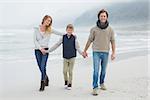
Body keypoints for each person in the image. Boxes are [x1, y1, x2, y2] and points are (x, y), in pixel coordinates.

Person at [83, 9, 116, 96]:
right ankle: (95, 87)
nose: (103, 17)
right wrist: (85, 50)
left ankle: (102, 83)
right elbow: (89, 40)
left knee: (104, 70)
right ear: (99, 17)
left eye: (104, 16)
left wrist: (113, 53)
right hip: (96, 52)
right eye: (101, 16)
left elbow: (113, 41)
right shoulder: (93, 29)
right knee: (96, 70)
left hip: (106, 52)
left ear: (107, 17)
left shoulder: (111, 29)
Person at [47, 24, 85, 90]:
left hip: (72, 57)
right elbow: (57, 44)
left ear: (72, 30)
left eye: (71, 30)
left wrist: (82, 53)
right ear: (66, 30)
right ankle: (66, 82)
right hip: (65, 57)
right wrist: (49, 51)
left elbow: (77, 47)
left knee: (70, 71)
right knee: (64, 71)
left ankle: (70, 84)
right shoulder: (63, 37)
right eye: (68, 30)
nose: (69, 31)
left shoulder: (74, 38)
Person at [34, 15, 63, 91]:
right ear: (44, 20)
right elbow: (35, 41)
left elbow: (60, 33)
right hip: (37, 50)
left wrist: (70, 34)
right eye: (48, 20)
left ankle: (42, 83)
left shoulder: (50, 30)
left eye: (50, 21)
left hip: (46, 50)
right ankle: (46, 77)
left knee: (43, 66)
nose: (48, 22)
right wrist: (40, 49)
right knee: (40, 66)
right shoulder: (36, 29)